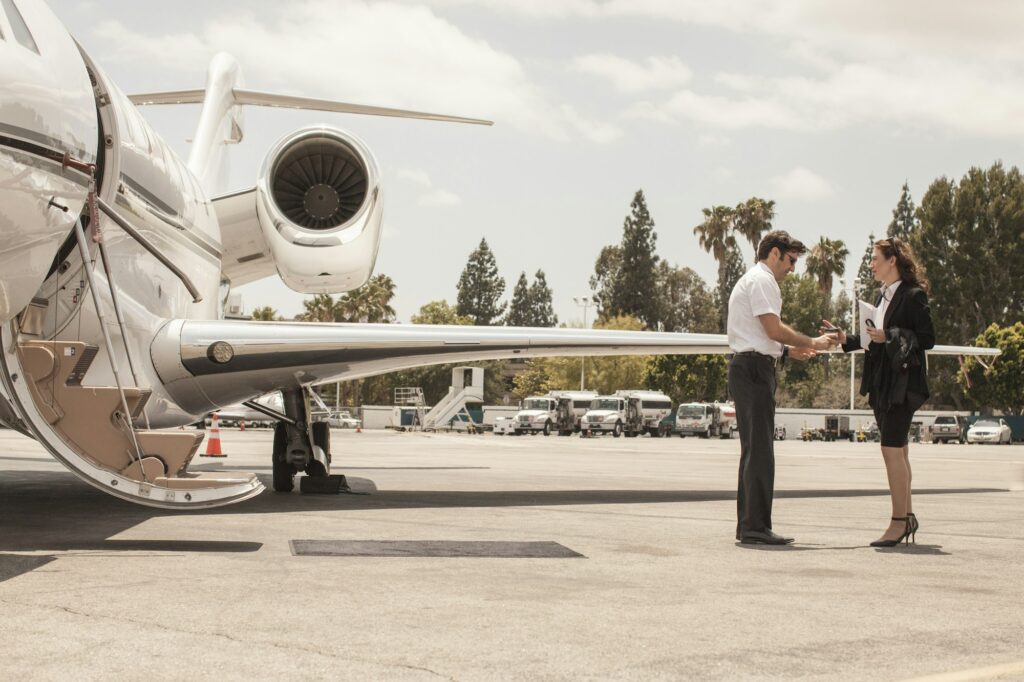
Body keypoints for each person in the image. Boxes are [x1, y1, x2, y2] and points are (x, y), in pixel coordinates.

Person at [823, 237, 934, 547]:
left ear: (892, 261)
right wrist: (846, 338)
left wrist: (890, 334)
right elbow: (874, 339)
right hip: (883, 382)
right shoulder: (883, 297)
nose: (871, 264)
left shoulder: (913, 296)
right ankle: (907, 516)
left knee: (891, 449)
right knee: (898, 450)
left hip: (904, 383)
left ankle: (898, 522)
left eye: (875, 258)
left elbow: (927, 338)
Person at [728, 230, 835, 545]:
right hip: (753, 370)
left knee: (754, 451)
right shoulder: (763, 281)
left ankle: (750, 525)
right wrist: (812, 342)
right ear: (774, 253)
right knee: (760, 451)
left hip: (749, 367)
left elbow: (760, 335)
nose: (792, 268)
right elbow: (772, 329)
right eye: (790, 260)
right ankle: (755, 527)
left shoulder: (754, 279)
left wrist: (787, 352)